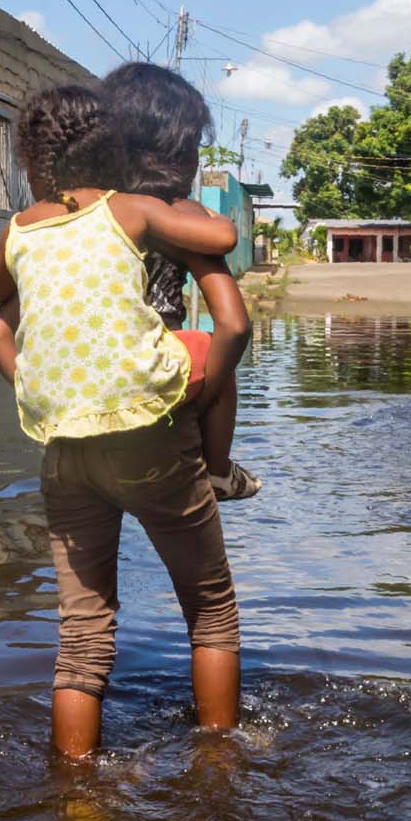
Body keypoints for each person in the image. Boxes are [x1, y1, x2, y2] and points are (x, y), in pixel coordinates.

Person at [0, 85, 248, 759]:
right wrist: (202, 394)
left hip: (65, 445)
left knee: (81, 638)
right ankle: (217, 770)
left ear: (31, 164)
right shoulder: (132, 213)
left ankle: (77, 797)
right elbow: (231, 305)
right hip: (154, 438)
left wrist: (49, 395)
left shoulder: (26, 235)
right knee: (211, 611)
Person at [101, 62, 261, 501]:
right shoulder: (180, 217)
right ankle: (220, 470)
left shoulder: (82, 215)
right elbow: (235, 326)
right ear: (178, 152)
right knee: (213, 352)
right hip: (160, 387)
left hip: (87, 389)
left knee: (83, 563)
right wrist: (206, 392)